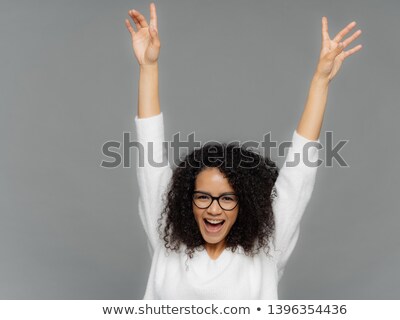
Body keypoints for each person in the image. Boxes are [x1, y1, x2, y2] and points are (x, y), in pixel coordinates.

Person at [125, 2, 362, 299]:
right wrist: (148, 67)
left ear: (243, 203)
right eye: (203, 197)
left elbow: (299, 171)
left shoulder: (266, 247)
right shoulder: (167, 236)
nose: (213, 208)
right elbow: (150, 153)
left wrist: (321, 81)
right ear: (188, 201)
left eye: (227, 199)